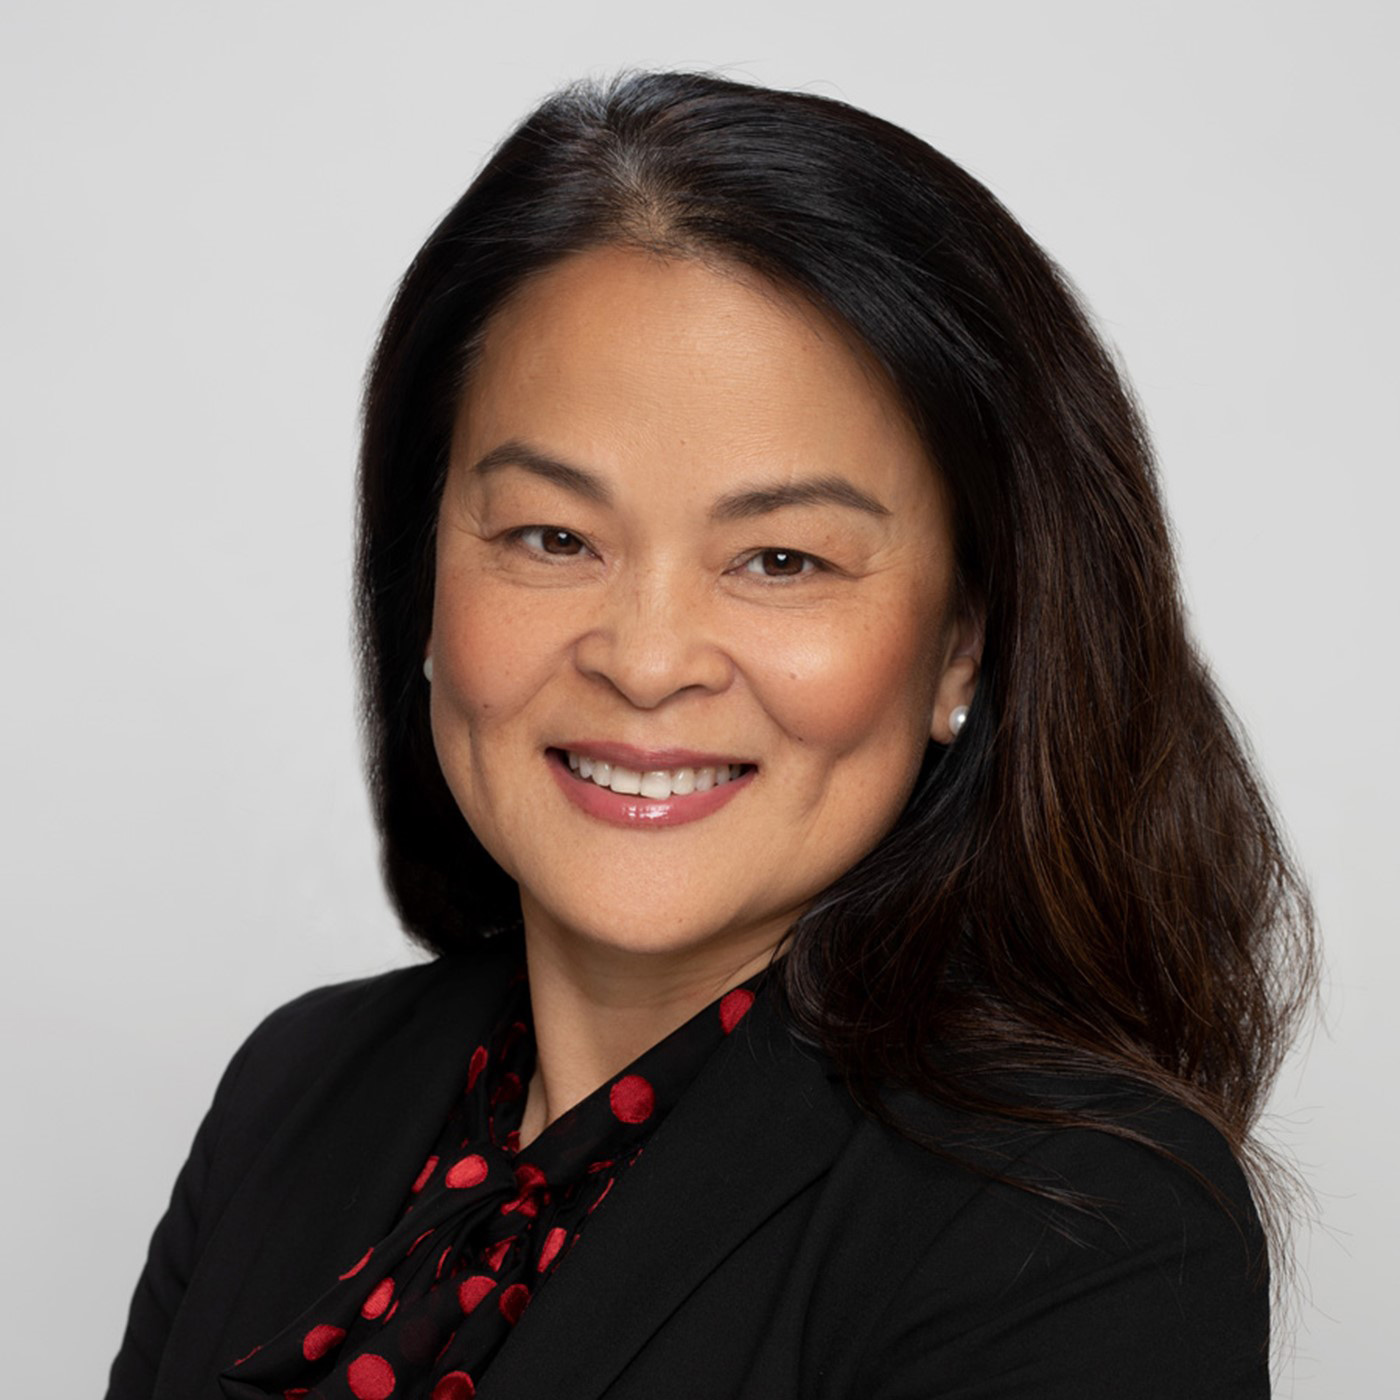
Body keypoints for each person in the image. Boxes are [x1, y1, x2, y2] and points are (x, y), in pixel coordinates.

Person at [105, 70, 1316, 1400]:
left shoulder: (1077, 1227)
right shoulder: (297, 1094)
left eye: (782, 559)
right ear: (425, 579)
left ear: (962, 647)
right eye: (551, 537)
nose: (645, 660)